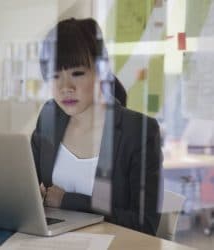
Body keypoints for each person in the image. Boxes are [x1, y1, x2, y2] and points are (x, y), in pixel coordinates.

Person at [31, 18, 163, 236]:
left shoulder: (139, 131)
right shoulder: (49, 117)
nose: (65, 88)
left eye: (77, 73)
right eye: (55, 76)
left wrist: (69, 201)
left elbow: (145, 224)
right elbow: (27, 190)